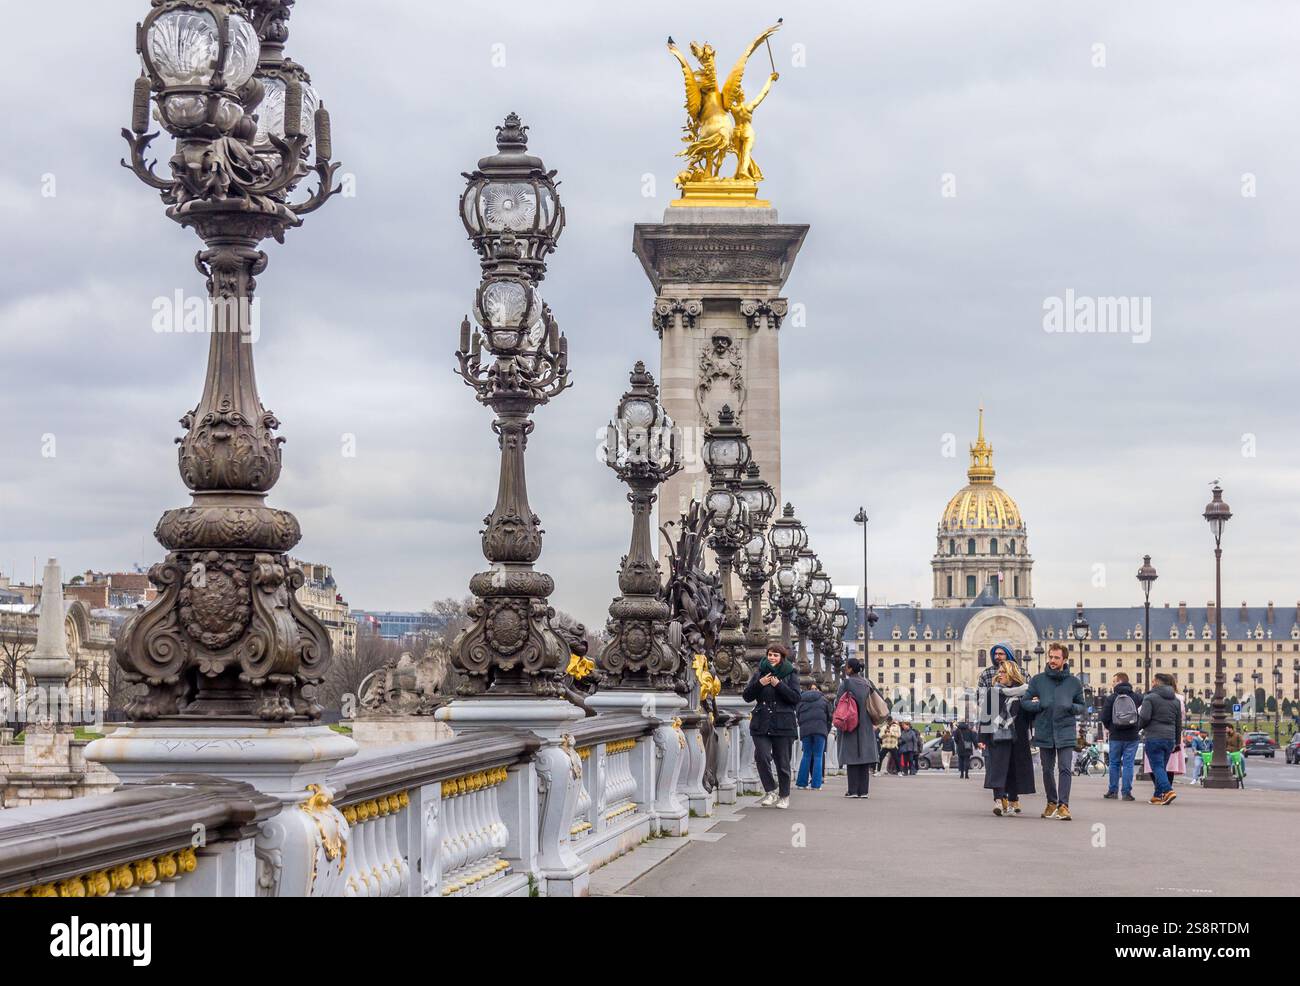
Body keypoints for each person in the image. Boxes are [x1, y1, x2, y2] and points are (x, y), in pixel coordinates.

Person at [1021, 641, 1085, 820]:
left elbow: (1082, 705)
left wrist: (1070, 707)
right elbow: (1025, 702)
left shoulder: (1074, 682)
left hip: (1065, 730)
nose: (1052, 660)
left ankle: (1063, 805)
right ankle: (1051, 802)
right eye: (1051, 657)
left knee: (1065, 768)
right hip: (1045, 730)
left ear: (1065, 659)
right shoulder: (1038, 680)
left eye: (1056, 657)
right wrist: (1039, 705)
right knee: (1047, 770)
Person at [742, 644, 801, 809]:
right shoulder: (760, 673)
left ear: (782, 657)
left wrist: (779, 685)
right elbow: (747, 696)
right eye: (769, 655)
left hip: (783, 724)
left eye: (775, 655)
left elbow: (796, 698)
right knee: (761, 756)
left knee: (782, 762)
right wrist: (759, 684)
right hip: (762, 722)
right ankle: (770, 790)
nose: (772, 658)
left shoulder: (790, 674)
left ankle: (784, 795)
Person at [983, 655, 1036, 814]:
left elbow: (1029, 716)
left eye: (1003, 672)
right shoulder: (993, 692)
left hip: (1018, 737)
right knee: (998, 769)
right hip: (997, 737)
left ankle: (1013, 799)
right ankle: (998, 801)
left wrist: (1035, 705)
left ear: (1011, 673)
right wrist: (983, 739)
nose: (999, 675)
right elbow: (986, 717)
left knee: (1015, 769)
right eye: (999, 672)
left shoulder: (1024, 693)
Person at [835, 657, 881, 798]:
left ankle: (853, 790)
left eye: (846, 667)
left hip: (850, 723)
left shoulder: (846, 683)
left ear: (849, 669)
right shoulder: (868, 683)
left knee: (852, 758)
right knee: (864, 759)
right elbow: (877, 699)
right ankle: (864, 791)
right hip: (866, 724)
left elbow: (838, 701)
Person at [1139, 673, 1182, 805]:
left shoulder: (1150, 698)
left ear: (1157, 682)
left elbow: (1145, 718)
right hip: (1169, 738)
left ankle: (1168, 790)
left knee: (1157, 766)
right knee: (1161, 767)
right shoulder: (1175, 700)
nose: (1152, 682)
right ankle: (1158, 795)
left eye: (1154, 680)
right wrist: (1177, 742)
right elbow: (1178, 723)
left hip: (1154, 736)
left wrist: (1137, 728)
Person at [1100, 672, 1142, 801]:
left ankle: (1113, 791)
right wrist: (1136, 727)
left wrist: (1111, 728)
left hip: (1116, 736)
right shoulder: (1137, 697)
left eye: (1113, 681)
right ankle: (1126, 793)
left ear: (1119, 681)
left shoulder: (1111, 698)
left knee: (1114, 764)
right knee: (1128, 764)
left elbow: (1104, 717)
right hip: (1132, 737)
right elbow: (1144, 715)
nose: (1112, 684)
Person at [977, 644, 1015, 758]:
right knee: (992, 768)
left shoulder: (1021, 672)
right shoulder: (986, 674)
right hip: (993, 727)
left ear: (1009, 655)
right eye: (995, 654)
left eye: (1001, 654)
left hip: (1014, 727)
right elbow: (980, 699)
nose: (997, 656)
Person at [795, 681, 833, 791]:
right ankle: (816, 785)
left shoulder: (801, 700)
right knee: (818, 756)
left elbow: (798, 715)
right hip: (820, 730)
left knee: (806, 755)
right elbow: (829, 718)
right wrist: (826, 731)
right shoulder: (824, 700)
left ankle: (801, 783)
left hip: (806, 730)